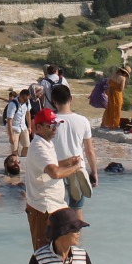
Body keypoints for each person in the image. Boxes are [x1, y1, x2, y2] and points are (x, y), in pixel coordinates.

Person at [23, 109, 83, 249]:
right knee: (44, 251)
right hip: (43, 208)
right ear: (38, 127)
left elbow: (51, 165)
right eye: (50, 125)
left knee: (59, 248)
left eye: (56, 125)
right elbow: (55, 173)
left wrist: (69, 162)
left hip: (54, 206)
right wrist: (76, 167)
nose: (55, 128)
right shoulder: (38, 146)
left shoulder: (46, 143)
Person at [51, 85, 97, 214]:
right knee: (77, 210)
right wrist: (94, 173)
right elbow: (89, 151)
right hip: (77, 169)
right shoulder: (83, 121)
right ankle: (77, 234)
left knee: (55, 212)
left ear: (54, 101)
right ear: (71, 98)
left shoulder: (50, 121)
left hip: (56, 170)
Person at [3, 88, 31, 156]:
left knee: (27, 146)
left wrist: (29, 126)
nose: (25, 101)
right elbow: (9, 120)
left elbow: (28, 113)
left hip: (23, 127)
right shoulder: (12, 104)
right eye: (24, 99)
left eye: (27, 99)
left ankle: (23, 161)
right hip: (14, 128)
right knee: (15, 150)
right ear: (20, 96)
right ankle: (16, 162)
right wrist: (10, 136)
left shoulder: (27, 102)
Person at [101, 65, 130, 130]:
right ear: (125, 73)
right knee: (117, 109)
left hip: (111, 92)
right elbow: (121, 88)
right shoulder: (123, 78)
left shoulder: (114, 74)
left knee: (110, 108)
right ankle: (115, 125)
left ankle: (108, 123)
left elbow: (108, 82)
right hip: (117, 93)